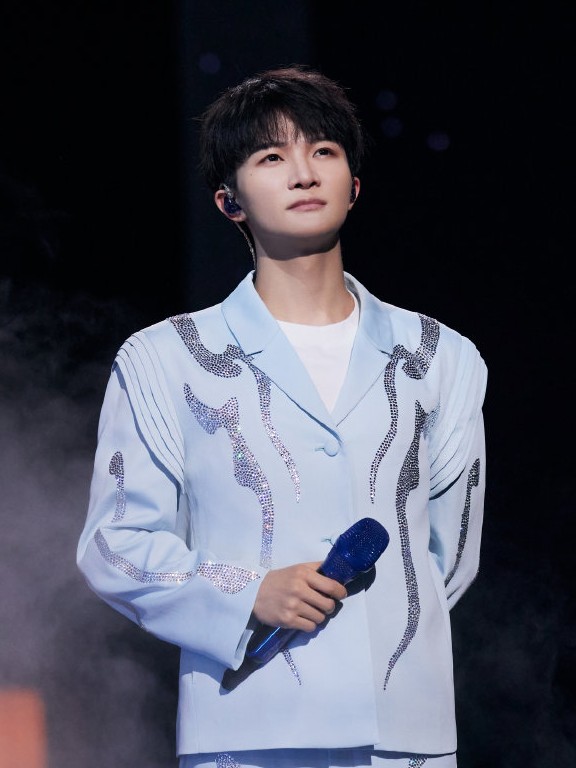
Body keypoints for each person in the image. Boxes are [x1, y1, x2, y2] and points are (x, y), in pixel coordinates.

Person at [77, 65, 488, 768]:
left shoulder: (440, 357)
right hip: (249, 730)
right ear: (229, 201)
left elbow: (447, 556)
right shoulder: (166, 358)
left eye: (324, 150)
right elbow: (115, 544)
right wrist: (247, 594)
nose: (303, 172)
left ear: (354, 186)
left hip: (404, 739)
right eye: (271, 157)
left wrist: (379, 638)